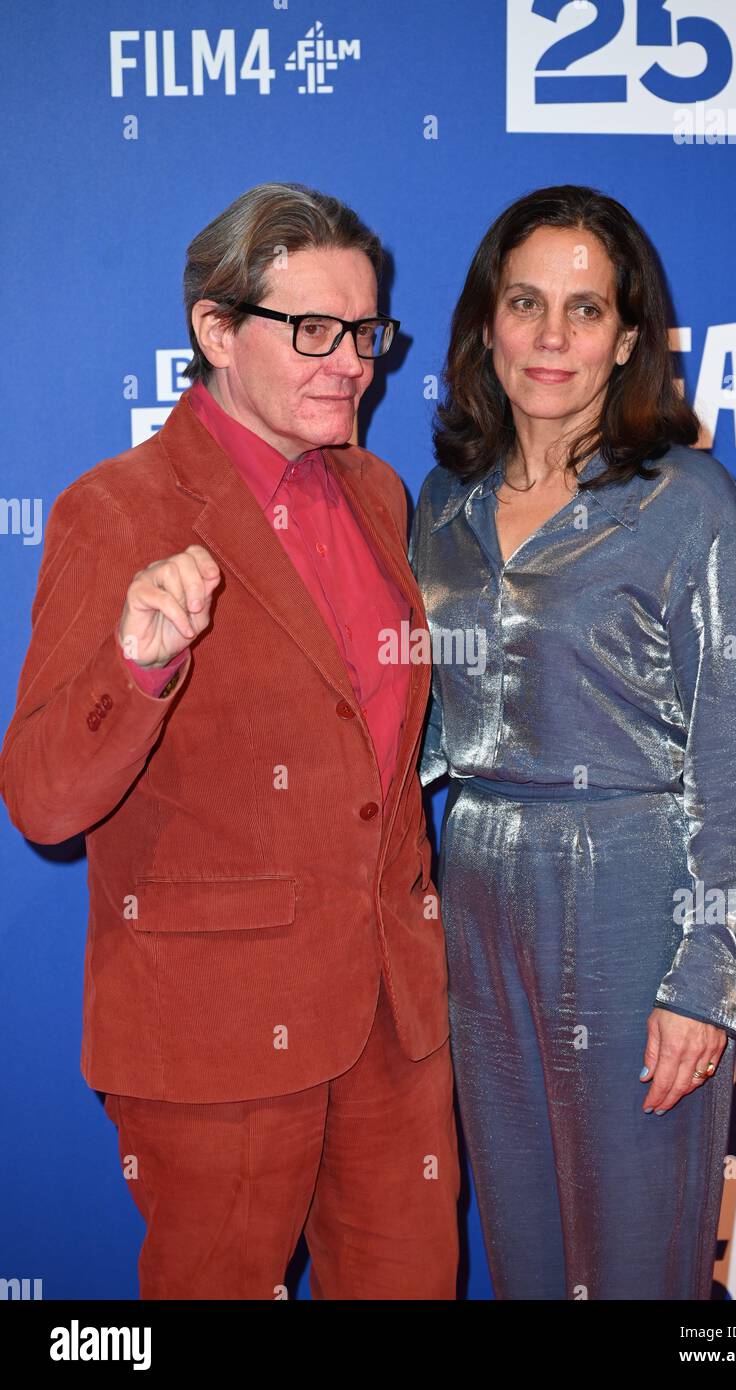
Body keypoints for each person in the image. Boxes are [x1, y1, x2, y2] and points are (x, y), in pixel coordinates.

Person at [0, 182, 458, 1300]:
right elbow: (43, 800)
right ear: (214, 329)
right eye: (312, 330)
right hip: (213, 1037)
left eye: (366, 332)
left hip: (395, 1022)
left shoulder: (377, 491)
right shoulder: (116, 510)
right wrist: (138, 665)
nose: (351, 362)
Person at [409, 184, 736, 1300]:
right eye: (527, 302)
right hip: (477, 890)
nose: (552, 337)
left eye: (586, 309)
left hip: (635, 897)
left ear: (629, 339)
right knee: (525, 1256)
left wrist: (706, 980)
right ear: (488, 321)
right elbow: (412, 722)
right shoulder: (441, 503)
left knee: (636, 1268)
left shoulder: (693, 507)